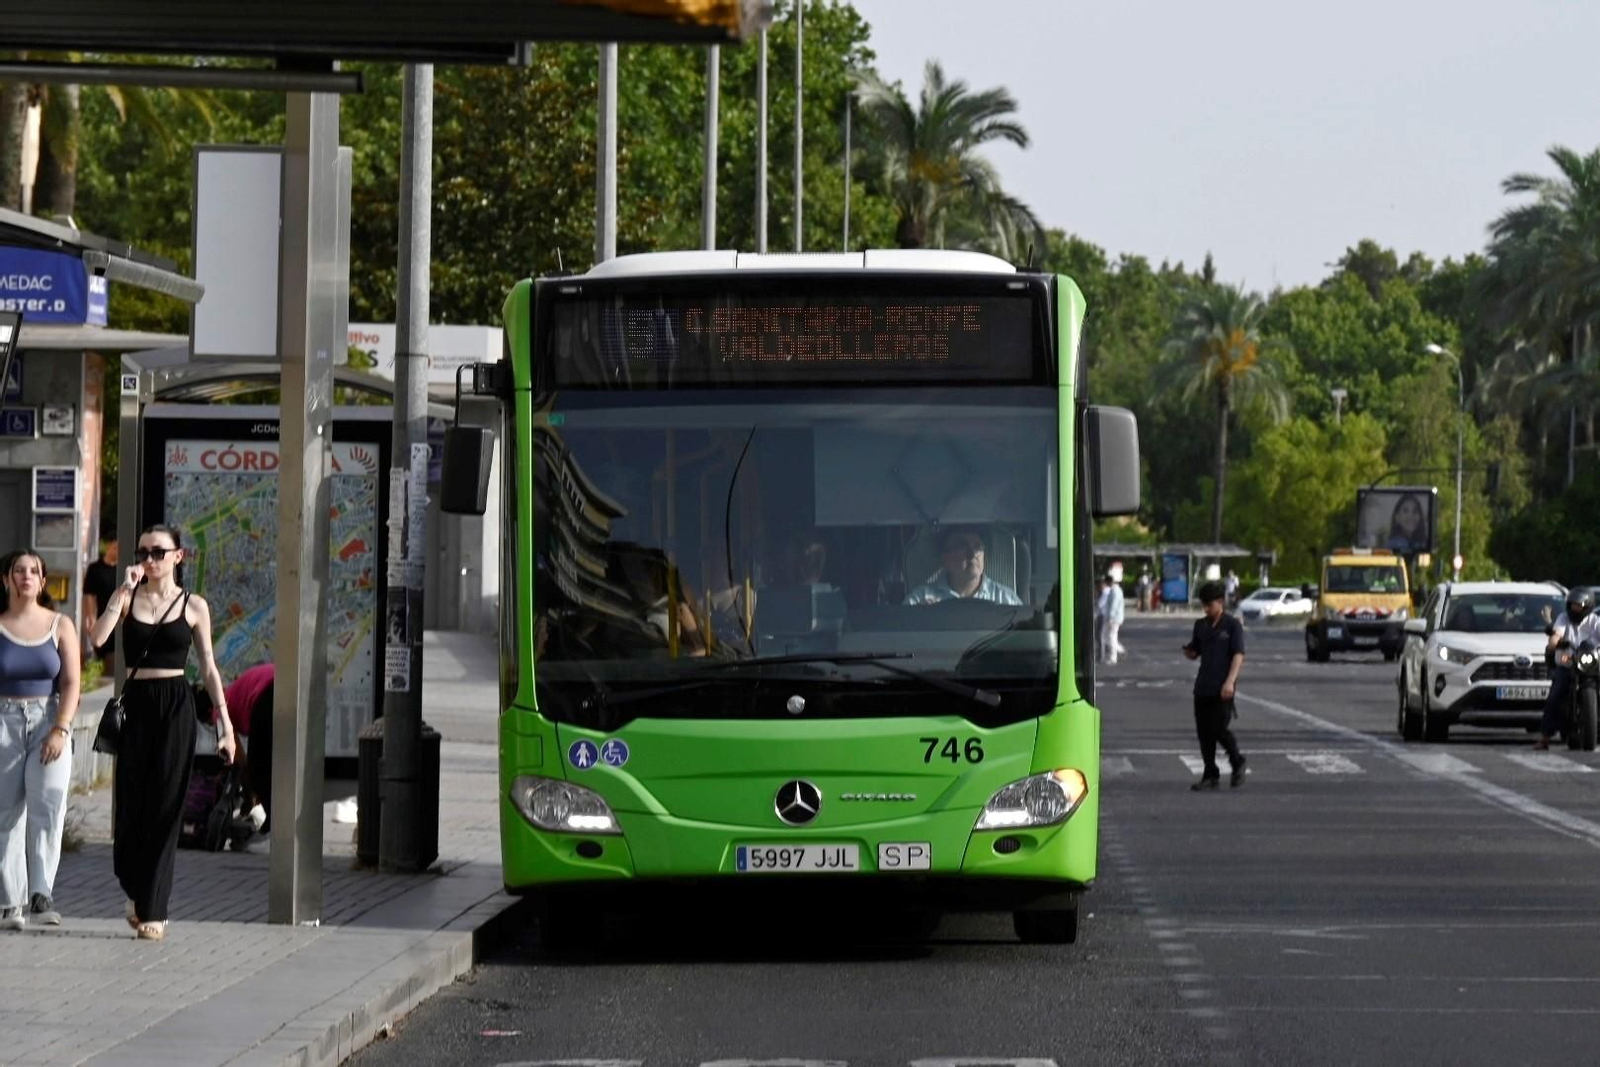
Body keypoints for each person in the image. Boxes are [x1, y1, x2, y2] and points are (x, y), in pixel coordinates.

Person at [89, 524, 237, 941]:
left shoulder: (194, 605)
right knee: (131, 807)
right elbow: (98, 638)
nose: (149, 560)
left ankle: (154, 908)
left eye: (158, 552)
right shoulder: (127, 597)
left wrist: (225, 725)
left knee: (166, 805)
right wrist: (122, 591)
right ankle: (136, 886)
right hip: (136, 705)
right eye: (143, 553)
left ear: (178, 556)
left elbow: (208, 667)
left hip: (175, 705)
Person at [0, 550, 81, 931]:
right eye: (18, 570)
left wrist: (61, 728)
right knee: (6, 814)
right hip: (4, 723)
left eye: (34, 571)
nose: (26, 576)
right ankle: (9, 902)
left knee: (48, 805)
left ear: (43, 581)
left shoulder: (60, 625)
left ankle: (40, 893)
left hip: (49, 722)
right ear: (6, 579)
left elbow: (71, 682)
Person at [1181, 580, 1247, 790]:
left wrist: (1230, 682)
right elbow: (1196, 650)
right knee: (1204, 733)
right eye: (1203, 605)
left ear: (1220, 602)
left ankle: (1237, 761)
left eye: (1209, 605)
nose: (1206, 609)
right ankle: (1210, 774)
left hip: (1223, 686)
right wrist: (1190, 652)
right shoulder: (1200, 625)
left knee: (1218, 728)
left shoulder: (1232, 625)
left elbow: (1238, 655)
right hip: (1203, 686)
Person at [213, 663, 273, 834]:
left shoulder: (218, 711)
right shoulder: (235, 692)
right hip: (289, 685)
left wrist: (249, 793)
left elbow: (238, 760)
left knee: (258, 770)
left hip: (267, 694)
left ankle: (272, 822)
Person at [1535, 588, 1598, 750]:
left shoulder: (1594, 621)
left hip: (1591, 666)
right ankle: (1545, 737)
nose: (1575, 609)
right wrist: (1554, 642)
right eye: (1572, 605)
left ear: (1588, 606)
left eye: (1579, 605)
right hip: (1568, 664)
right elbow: (1556, 634)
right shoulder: (1563, 618)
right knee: (1555, 696)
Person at [905, 528, 1023, 606]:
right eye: (962, 546)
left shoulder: (1006, 600)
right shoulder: (919, 600)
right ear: (945, 557)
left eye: (977, 546)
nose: (972, 554)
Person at [81, 525, 119, 665]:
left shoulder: (124, 570)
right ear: (109, 546)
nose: (118, 551)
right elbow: (89, 595)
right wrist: (90, 618)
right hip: (103, 617)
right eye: (116, 547)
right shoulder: (95, 569)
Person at [1102, 573, 1127, 664]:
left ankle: (1113, 657)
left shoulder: (1115, 591)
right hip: (1113, 617)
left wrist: (1110, 618)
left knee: (1111, 637)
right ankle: (1119, 649)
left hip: (1114, 618)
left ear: (1109, 582)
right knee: (1107, 636)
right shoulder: (1114, 590)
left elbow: (1114, 606)